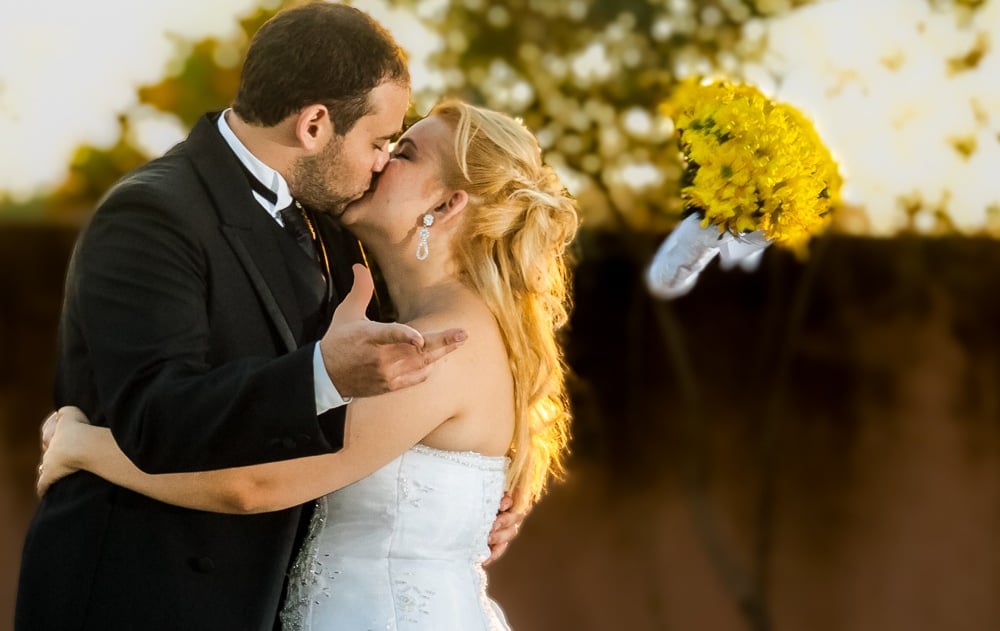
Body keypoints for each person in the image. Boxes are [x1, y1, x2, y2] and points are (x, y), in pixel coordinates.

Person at [15, 5, 523, 631]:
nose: (380, 162)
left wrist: (474, 506)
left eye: (397, 149)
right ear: (314, 124)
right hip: (146, 599)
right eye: (379, 141)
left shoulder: (341, 237)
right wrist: (320, 373)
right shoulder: (153, 214)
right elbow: (157, 416)